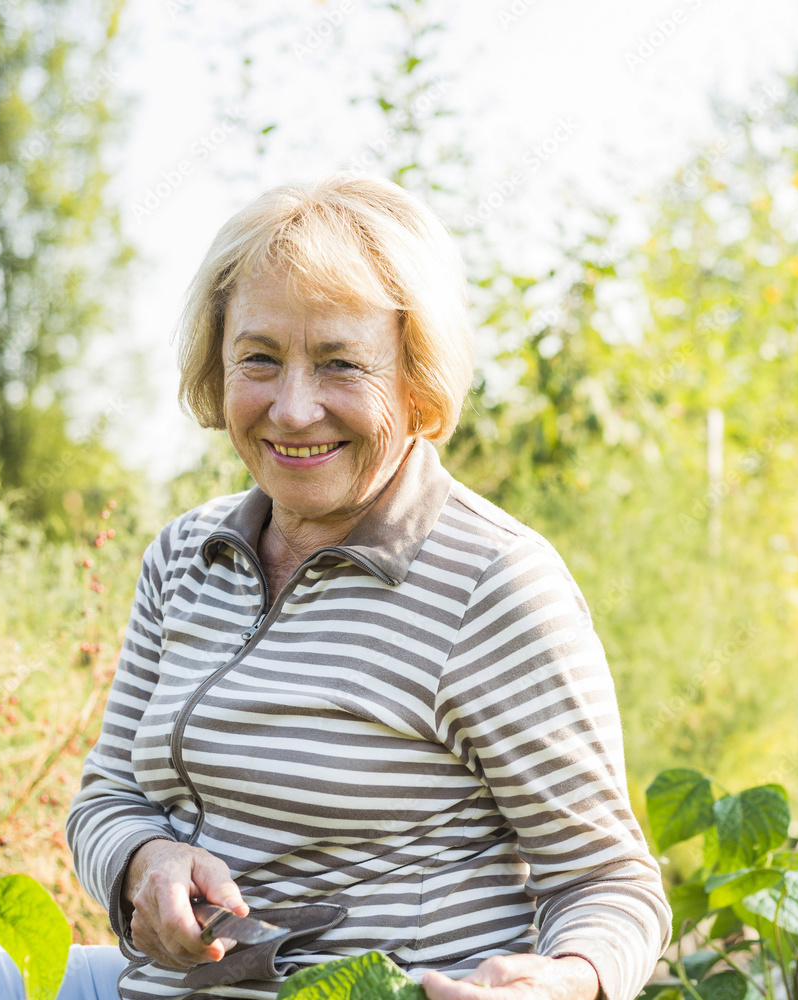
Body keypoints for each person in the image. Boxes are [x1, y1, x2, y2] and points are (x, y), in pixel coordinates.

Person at [61, 174, 671, 1000]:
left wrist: (568, 980)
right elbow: (109, 795)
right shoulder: (183, 557)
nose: (293, 408)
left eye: (341, 363)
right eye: (259, 358)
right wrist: (145, 861)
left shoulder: (493, 584)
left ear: (418, 380)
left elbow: (610, 882)